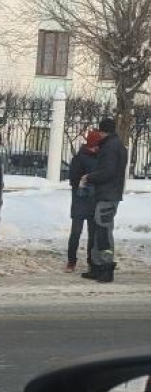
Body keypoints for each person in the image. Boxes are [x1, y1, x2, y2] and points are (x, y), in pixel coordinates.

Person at [80, 118, 128, 283]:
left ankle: (106, 268)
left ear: (102, 131)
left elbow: (107, 172)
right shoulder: (116, 145)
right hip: (108, 194)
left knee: (103, 232)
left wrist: (89, 177)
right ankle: (97, 267)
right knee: (100, 230)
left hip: (107, 195)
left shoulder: (110, 147)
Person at [65, 130, 101, 273]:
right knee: (77, 232)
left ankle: (89, 261)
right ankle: (72, 260)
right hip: (81, 199)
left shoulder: (98, 157)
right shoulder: (80, 158)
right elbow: (73, 179)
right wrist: (85, 180)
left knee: (91, 233)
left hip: (89, 200)